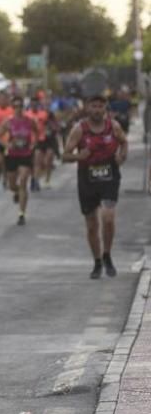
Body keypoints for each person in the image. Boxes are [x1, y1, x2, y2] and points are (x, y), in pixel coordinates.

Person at [62, 95, 128, 279]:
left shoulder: (113, 126)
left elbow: (124, 143)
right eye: (94, 106)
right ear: (87, 108)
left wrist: (121, 157)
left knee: (108, 217)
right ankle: (97, 261)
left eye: (100, 106)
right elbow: (65, 156)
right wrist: (79, 156)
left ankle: (107, 254)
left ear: (105, 108)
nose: (97, 110)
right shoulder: (79, 129)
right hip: (87, 178)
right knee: (92, 224)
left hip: (109, 176)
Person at [0, 96, 39, 225]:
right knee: (12, 185)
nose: (18, 109)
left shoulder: (30, 121)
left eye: (20, 106)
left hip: (25, 155)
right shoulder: (8, 122)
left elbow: (37, 133)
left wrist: (33, 145)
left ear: (23, 107)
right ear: (12, 108)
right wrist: (7, 145)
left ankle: (21, 214)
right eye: (15, 106)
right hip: (12, 155)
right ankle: (16, 192)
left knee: (23, 181)